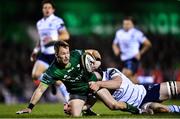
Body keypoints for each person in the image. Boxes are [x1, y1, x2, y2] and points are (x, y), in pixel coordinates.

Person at [16, 41, 146, 117]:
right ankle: (86, 109)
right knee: (74, 115)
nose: (66, 56)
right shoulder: (52, 70)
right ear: (56, 55)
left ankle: (139, 111)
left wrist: (98, 61)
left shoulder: (77, 54)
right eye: (63, 54)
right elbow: (40, 90)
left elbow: (94, 52)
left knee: (114, 105)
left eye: (67, 52)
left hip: (93, 85)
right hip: (77, 93)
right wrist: (30, 107)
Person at [89, 68, 180, 114]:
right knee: (162, 109)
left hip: (146, 91)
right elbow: (112, 105)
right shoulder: (97, 89)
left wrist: (99, 84)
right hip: (141, 105)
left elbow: (117, 83)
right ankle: (177, 109)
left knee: (177, 86)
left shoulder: (110, 71)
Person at [30, 0, 70, 100]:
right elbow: (40, 40)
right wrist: (35, 51)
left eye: (49, 7)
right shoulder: (39, 23)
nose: (47, 9)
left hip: (55, 54)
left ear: (53, 10)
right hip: (44, 54)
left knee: (59, 81)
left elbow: (66, 35)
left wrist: (53, 39)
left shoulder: (57, 21)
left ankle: (69, 102)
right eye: (45, 8)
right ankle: (51, 82)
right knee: (35, 75)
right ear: (42, 9)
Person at [112, 16, 152, 83]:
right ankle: (147, 82)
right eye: (124, 24)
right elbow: (114, 43)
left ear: (132, 24)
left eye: (128, 24)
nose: (126, 26)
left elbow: (148, 44)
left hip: (132, 58)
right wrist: (115, 49)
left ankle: (146, 81)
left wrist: (140, 53)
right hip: (123, 59)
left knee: (123, 76)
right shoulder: (119, 33)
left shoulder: (137, 33)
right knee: (131, 79)